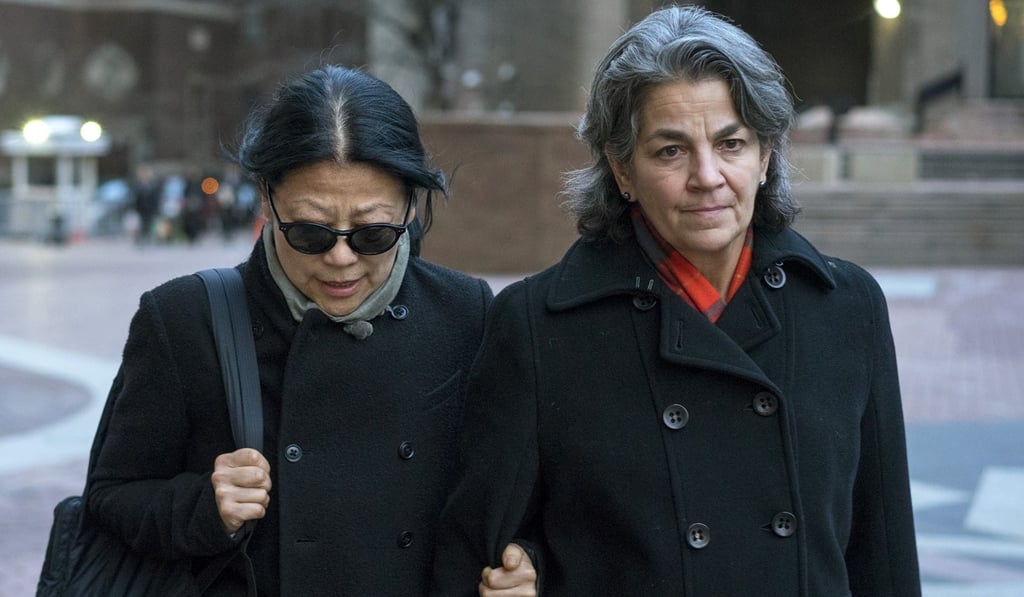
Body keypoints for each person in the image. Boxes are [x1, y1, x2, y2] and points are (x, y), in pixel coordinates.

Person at [431, 6, 921, 596]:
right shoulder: (539, 327)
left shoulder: (847, 306)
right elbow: (481, 550)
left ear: (766, 156)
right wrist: (524, 568)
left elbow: (883, 553)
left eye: (731, 142)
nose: (707, 176)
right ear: (621, 169)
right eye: (670, 151)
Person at [87, 65, 534, 596]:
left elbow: (508, 494)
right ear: (266, 200)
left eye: (373, 233)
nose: (341, 259)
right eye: (310, 231)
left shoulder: (464, 311)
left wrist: (523, 565)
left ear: (410, 206)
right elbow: (111, 497)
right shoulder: (185, 319)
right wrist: (203, 507)